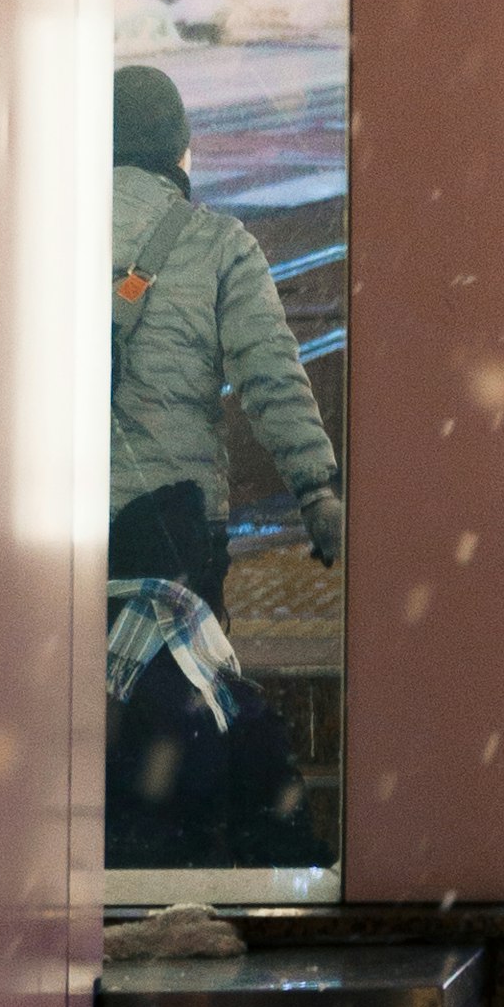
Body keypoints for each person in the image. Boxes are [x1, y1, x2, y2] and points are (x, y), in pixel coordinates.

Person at [105, 59, 339, 871]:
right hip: (172, 528)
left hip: (59, 527)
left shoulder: (43, 233)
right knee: (185, 699)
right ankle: (173, 862)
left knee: (73, 701)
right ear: (181, 150)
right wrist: (317, 489)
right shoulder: (214, 244)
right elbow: (271, 375)